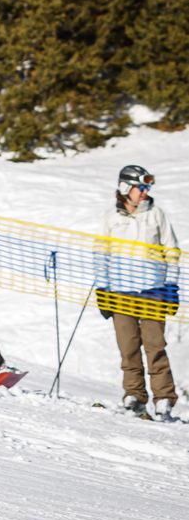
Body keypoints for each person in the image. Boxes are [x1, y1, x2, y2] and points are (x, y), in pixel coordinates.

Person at [98, 165, 179, 422]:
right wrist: (103, 288)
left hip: (153, 291)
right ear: (125, 188)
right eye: (140, 187)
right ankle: (133, 395)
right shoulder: (112, 217)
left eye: (147, 188)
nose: (145, 192)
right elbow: (102, 254)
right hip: (121, 292)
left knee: (155, 346)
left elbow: (172, 251)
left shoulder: (156, 215)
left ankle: (164, 398)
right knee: (128, 347)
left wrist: (171, 286)